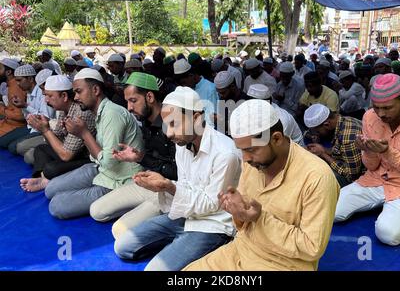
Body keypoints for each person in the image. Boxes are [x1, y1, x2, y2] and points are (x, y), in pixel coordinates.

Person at [184, 99, 339, 271]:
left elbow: (311, 248)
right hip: (241, 249)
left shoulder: (318, 177)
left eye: (250, 149)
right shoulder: (254, 162)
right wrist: (238, 212)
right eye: (241, 149)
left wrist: (259, 218)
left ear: (277, 139)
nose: (244, 158)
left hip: (284, 264)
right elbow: (244, 225)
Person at [114, 86, 242, 271]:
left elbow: (211, 205)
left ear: (196, 118)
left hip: (212, 224)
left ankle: (214, 245)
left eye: (174, 124)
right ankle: (180, 244)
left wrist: (169, 187)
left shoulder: (225, 153)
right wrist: (164, 186)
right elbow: (185, 185)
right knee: (122, 246)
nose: (169, 133)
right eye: (167, 124)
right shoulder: (183, 146)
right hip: (186, 214)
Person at [334, 73, 400, 246]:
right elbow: (371, 166)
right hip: (376, 179)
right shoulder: (369, 116)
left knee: (388, 235)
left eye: (387, 108)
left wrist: (387, 152)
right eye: (376, 107)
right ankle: (390, 208)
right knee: (331, 211)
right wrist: (367, 151)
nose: (380, 114)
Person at [43, 68, 144, 219]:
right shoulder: (98, 112)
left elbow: (109, 162)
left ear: (95, 90)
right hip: (100, 169)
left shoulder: (112, 113)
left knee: (56, 205)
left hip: (117, 180)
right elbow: (97, 157)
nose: (75, 97)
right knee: (50, 189)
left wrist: (83, 133)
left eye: (78, 91)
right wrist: (82, 134)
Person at [90, 72, 177, 239]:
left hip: (169, 189)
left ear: (150, 97)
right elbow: (151, 159)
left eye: (133, 100)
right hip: (147, 182)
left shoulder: (174, 124)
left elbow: (177, 171)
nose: (129, 107)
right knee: (96, 211)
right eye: (127, 102)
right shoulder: (145, 121)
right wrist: (138, 158)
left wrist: (143, 160)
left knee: (120, 230)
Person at [19, 75, 96, 191]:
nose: (46, 100)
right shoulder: (62, 110)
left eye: (49, 96)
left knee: (51, 168)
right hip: (70, 151)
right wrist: (44, 127)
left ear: (64, 96)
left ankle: (47, 178)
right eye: (45, 95)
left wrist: (45, 130)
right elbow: (58, 136)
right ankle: (42, 178)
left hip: (86, 156)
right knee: (40, 149)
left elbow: (66, 156)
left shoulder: (80, 113)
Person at [303, 104, 363, 187]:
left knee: (321, 178)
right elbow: (339, 149)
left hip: (359, 177)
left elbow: (351, 176)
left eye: (318, 132)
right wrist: (323, 149)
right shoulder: (341, 120)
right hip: (350, 165)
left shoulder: (348, 138)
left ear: (327, 124)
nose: (317, 135)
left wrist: (323, 154)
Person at [5, 65, 55, 155]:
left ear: (31, 79)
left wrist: (25, 106)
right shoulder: (28, 92)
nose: (17, 84)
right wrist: (23, 106)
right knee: (4, 142)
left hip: (41, 129)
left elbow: (45, 118)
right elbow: (27, 117)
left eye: (19, 80)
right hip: (31, 127)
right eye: (16, 80)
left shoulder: (43, 93)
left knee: (13, 147)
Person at [0, 59, 27, 148]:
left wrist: (2, 109)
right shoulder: (10, 85)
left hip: (16, 126)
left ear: (8, 72)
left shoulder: (16, 87)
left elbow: (20, 116)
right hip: (7, 122)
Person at [213, 71, 249, 136]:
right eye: (218, 92)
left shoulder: (245, 101)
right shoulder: (223, 99)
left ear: (232, 86)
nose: (220, 95)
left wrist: (221, 121)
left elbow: (243, 129)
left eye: (223, 92)